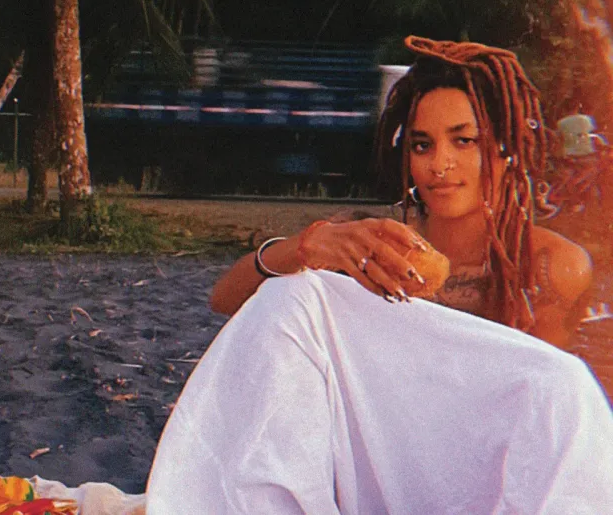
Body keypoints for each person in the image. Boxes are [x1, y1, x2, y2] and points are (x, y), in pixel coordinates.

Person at [146, 36, 613, 514]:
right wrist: (306, 246)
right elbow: (226, 298)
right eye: (422, 145)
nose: (440, 164)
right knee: (291, 293)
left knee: (564, 383)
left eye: (464, 140)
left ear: (503, 147)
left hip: (482, 476)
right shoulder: (371, 242)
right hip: (373, 457)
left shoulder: (550, 265)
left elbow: (535, 411)